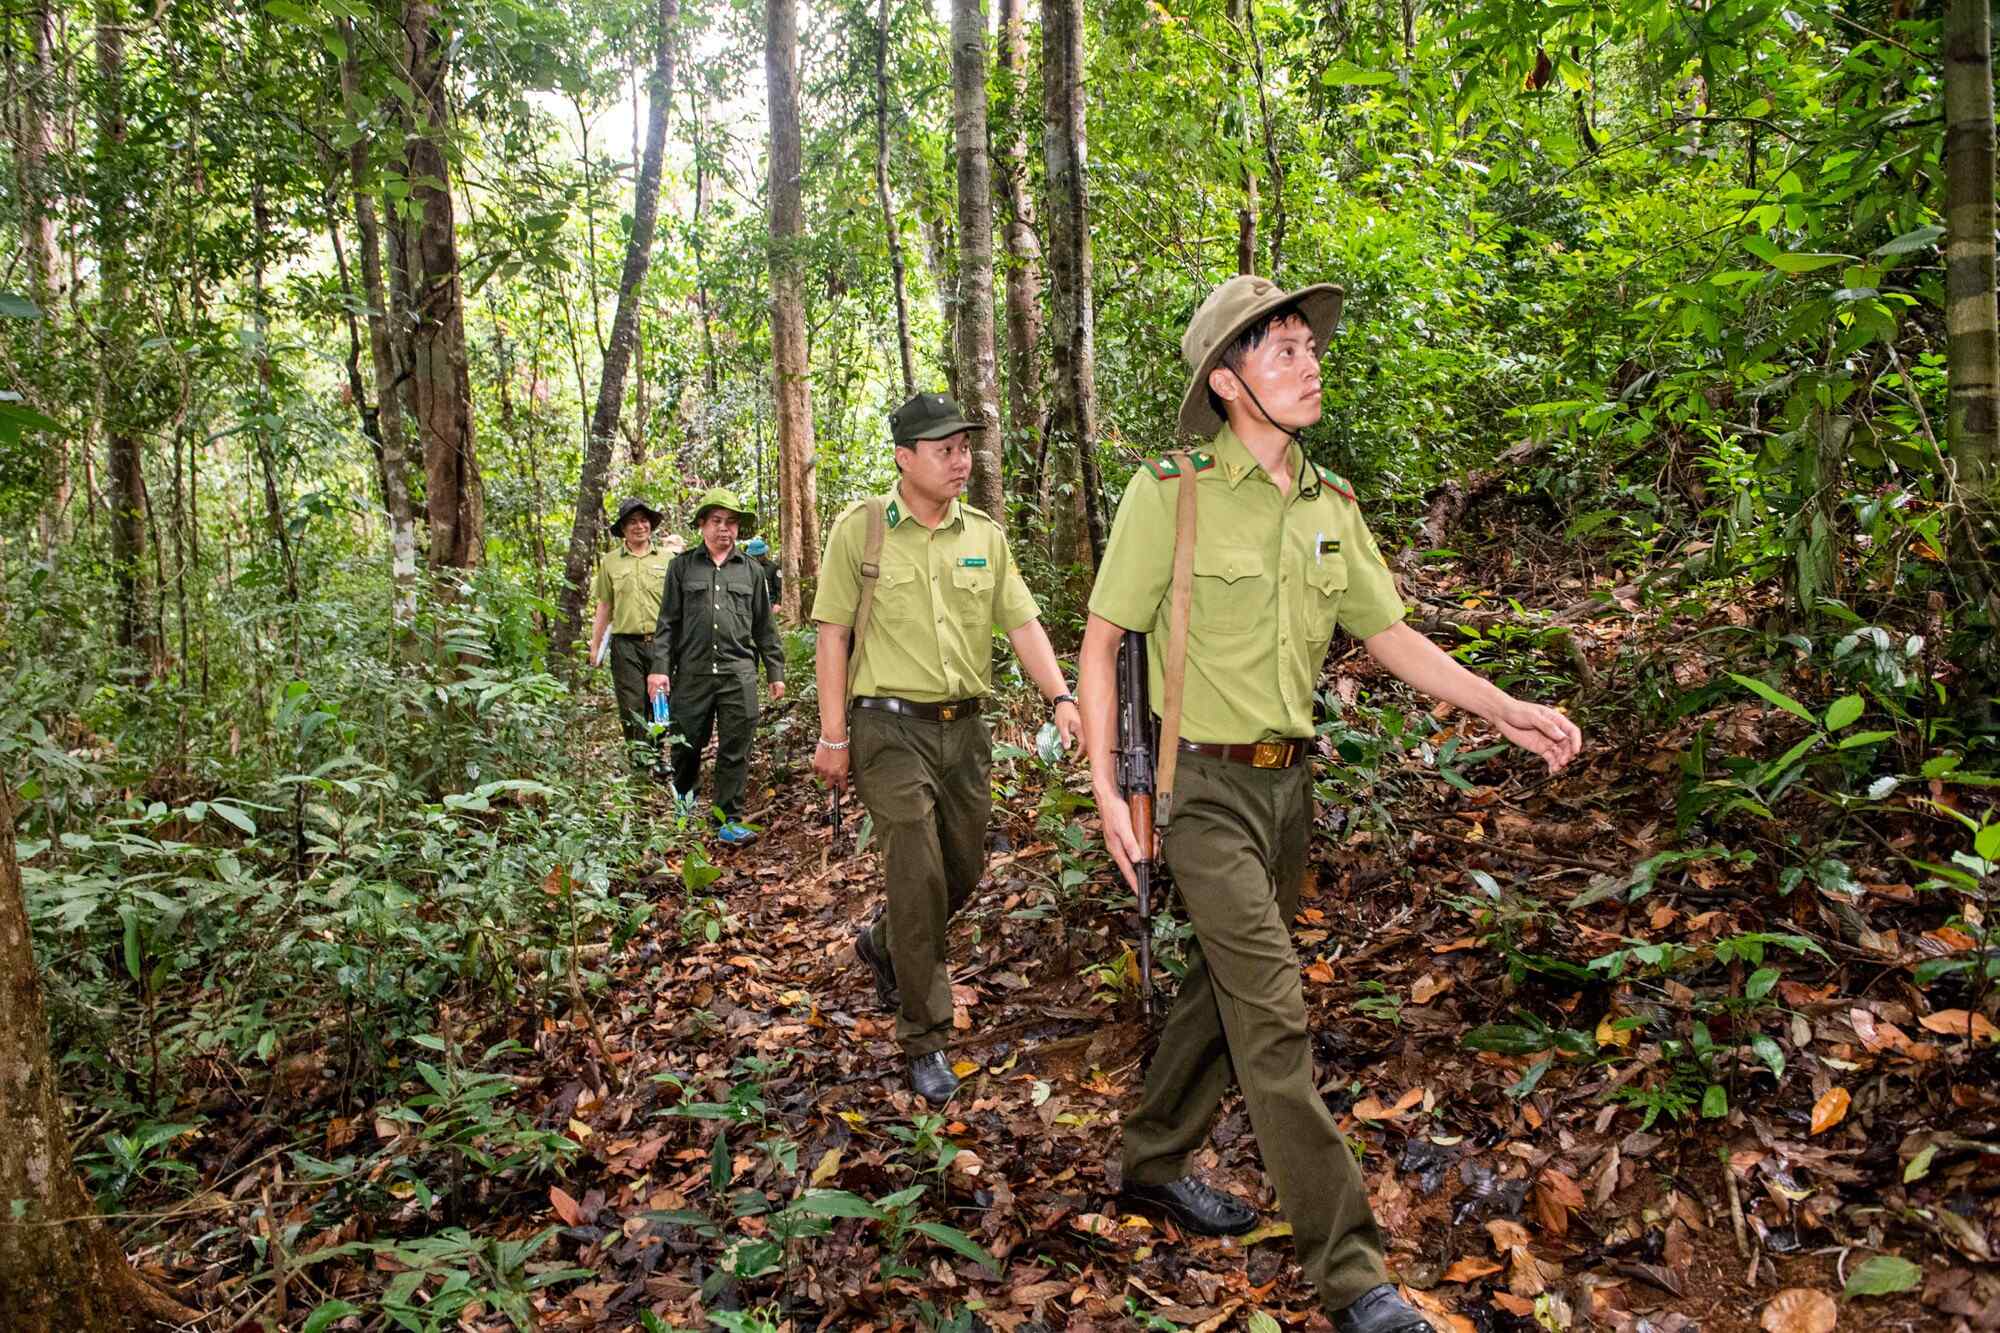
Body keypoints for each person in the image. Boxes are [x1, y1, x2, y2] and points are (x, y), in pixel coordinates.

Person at [1076, 275, 1583, 1333]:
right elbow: (1104, 638)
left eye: (1308, 347)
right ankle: (1352, 1276)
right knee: (1271, 1013)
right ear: (1225, 381)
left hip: (1287, 788)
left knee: (1222, 991)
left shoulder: (1330, 505)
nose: (1307, 365)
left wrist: (1504, 708)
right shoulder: (1166, 490)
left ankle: (1151, 1158)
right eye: (1280, 351)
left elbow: (1389, 635)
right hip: (1197, 787)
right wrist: (1106, 789)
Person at [811, 392, 1082, 1107]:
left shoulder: (985, 536)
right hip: (887, 728)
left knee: (960, 868)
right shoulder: (861, 530)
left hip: (965, 731)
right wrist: (832, 732)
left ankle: (884, 942)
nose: (961, 461)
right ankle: (925, 1035)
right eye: (945, 450)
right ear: (905, 458)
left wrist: (1062, 696)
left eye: (965, 448)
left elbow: (1021, 622)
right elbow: (832, 634)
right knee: (918, 870)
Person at [648, 487, 786, 845]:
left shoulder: (752, 572)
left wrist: (775, 671)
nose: (724, 529)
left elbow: (764, 626)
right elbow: (668, 622)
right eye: (716, 521)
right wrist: (659, 668)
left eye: (731, 523)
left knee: (735, 748)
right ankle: (683, 811)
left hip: (737, 673)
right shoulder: (681, 567)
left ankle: (727, 820)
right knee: (686, 745)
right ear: (702, 525)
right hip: (691, 673)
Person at [588, 497, 682, 777]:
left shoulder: (668, 560)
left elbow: (680, 605)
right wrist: (595, 647)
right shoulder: (611, 562)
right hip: (625, 645)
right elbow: (605, 605)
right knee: (632, 705)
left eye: (643, 521)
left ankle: (660, 754)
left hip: (662, 644)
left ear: (650, 525)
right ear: (623, 528)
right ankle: (640, 763)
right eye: (632, 522)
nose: (639, 526)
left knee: (661, 702)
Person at [740, 537, 782, 609]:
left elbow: (779, 588)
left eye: (758, 556)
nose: (756, 558)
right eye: (753, 556)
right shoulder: (747, 566)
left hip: (768, 604)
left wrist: (777, 604)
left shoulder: (774, 567)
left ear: (763, 554)